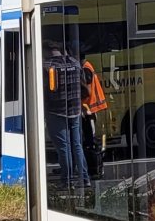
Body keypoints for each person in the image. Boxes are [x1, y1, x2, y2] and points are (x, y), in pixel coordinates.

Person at [42, 43, 86, 192]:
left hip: (56, 111)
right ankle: (84, 178)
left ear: (47, 51)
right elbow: (83, 84)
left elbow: (45, 90)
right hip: (75, 110)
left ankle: (67, 180)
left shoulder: (47, 66)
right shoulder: (75, 63)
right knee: (77, 145)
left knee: (63, 147)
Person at [80, 58, 108, 183]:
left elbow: (87, 91)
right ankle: (93, 169)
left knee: (90, 141)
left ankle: (94, 169)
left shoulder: (85, 68)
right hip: (89, 108)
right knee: (90, 140)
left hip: (89, 109)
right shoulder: (87, 66)